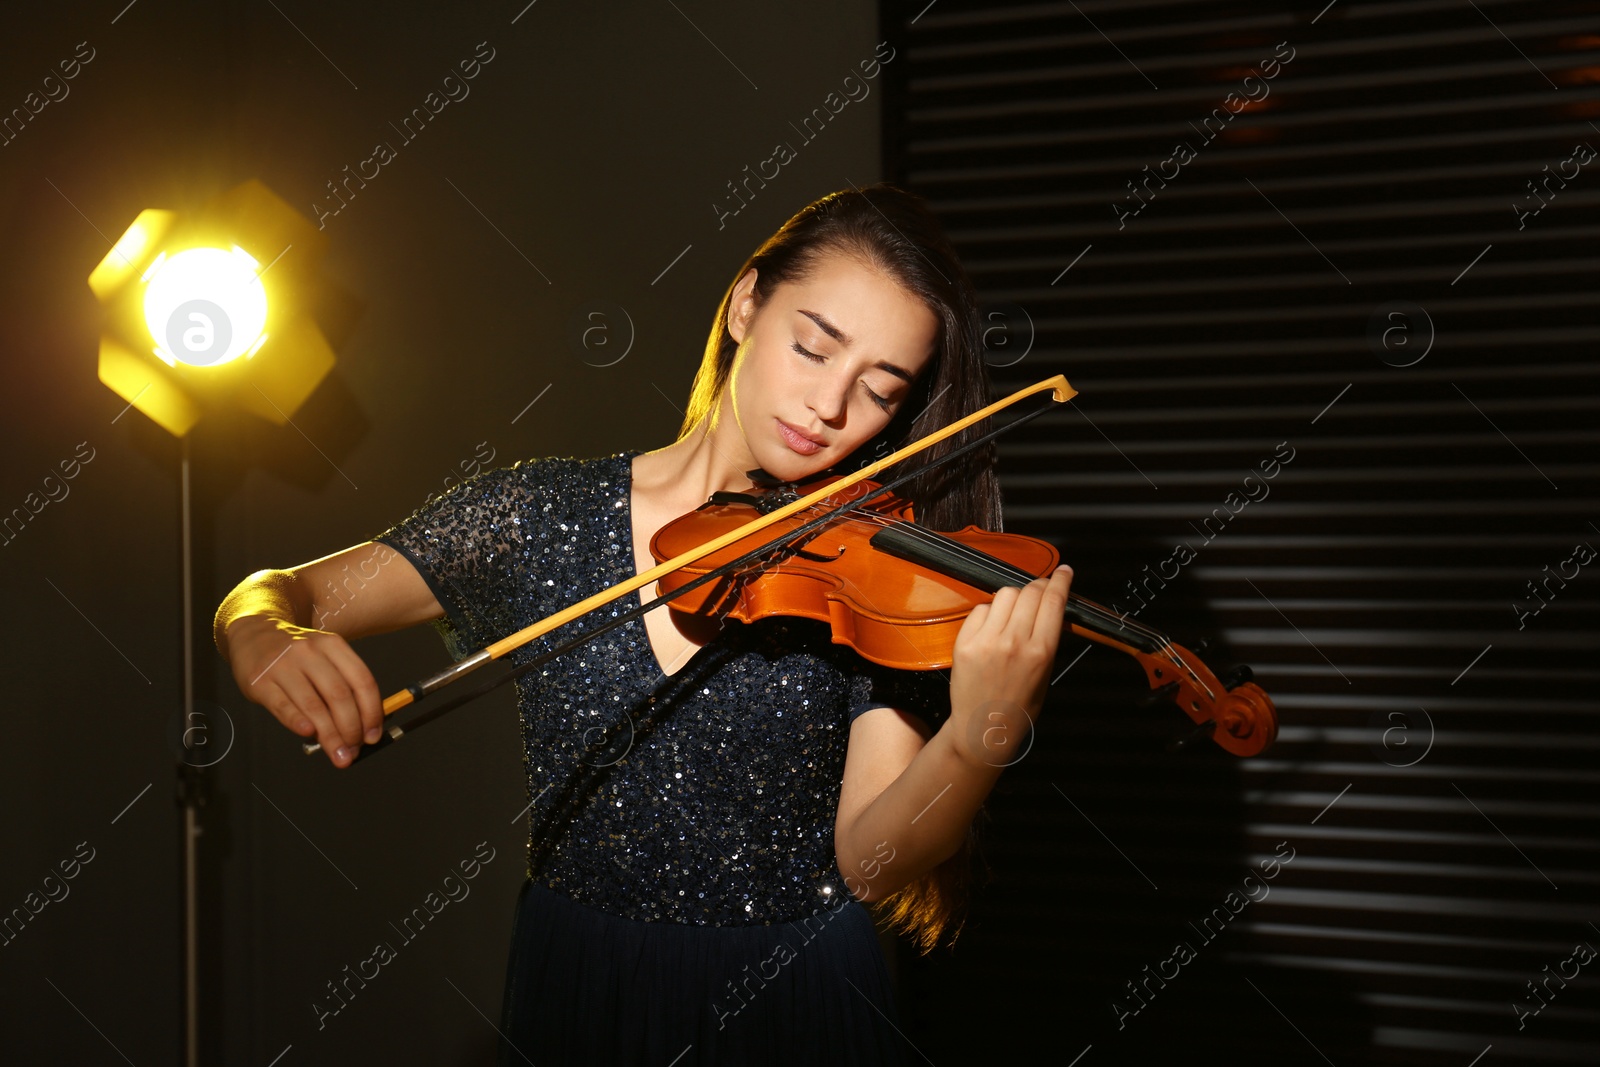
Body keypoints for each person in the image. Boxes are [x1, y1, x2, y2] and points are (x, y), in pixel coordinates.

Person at [213, 184, 1072, 1065]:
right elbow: (280, 590)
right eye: (813, 347)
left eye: (881, 390)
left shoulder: (868, 572)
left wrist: (976, 736)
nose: (829, 406)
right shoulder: (537, 515)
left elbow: (869, 860)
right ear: (746, 303)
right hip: (584, 985)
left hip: (794, 999)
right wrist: (259, 629)